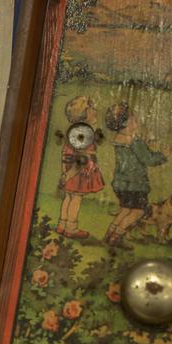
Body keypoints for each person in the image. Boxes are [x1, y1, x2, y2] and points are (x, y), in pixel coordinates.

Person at [103, 102, 171, 246]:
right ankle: (116, 237)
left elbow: (133, 154)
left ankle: (109, 233)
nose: (137, 121)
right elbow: (149, 159)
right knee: (138, 212)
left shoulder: (118, 139)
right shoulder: (135, 141)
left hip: (121, 184)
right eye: (134, 118)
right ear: (126, 123)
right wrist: (164, 155)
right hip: (135, 185)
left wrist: (144, 145)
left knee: (125, 210)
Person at [57, 96, 105, 239]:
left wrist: (64, 173)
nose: (95, 111)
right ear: (86, 113)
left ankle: (62, 225)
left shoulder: (74, 132)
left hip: (69, 169)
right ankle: (71, 228)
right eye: (92, 109)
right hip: (78, 172)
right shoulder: (85, 134)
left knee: (68, 196)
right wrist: (70, 174)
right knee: (76, 198)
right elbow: (82, 158)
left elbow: (66, 154)